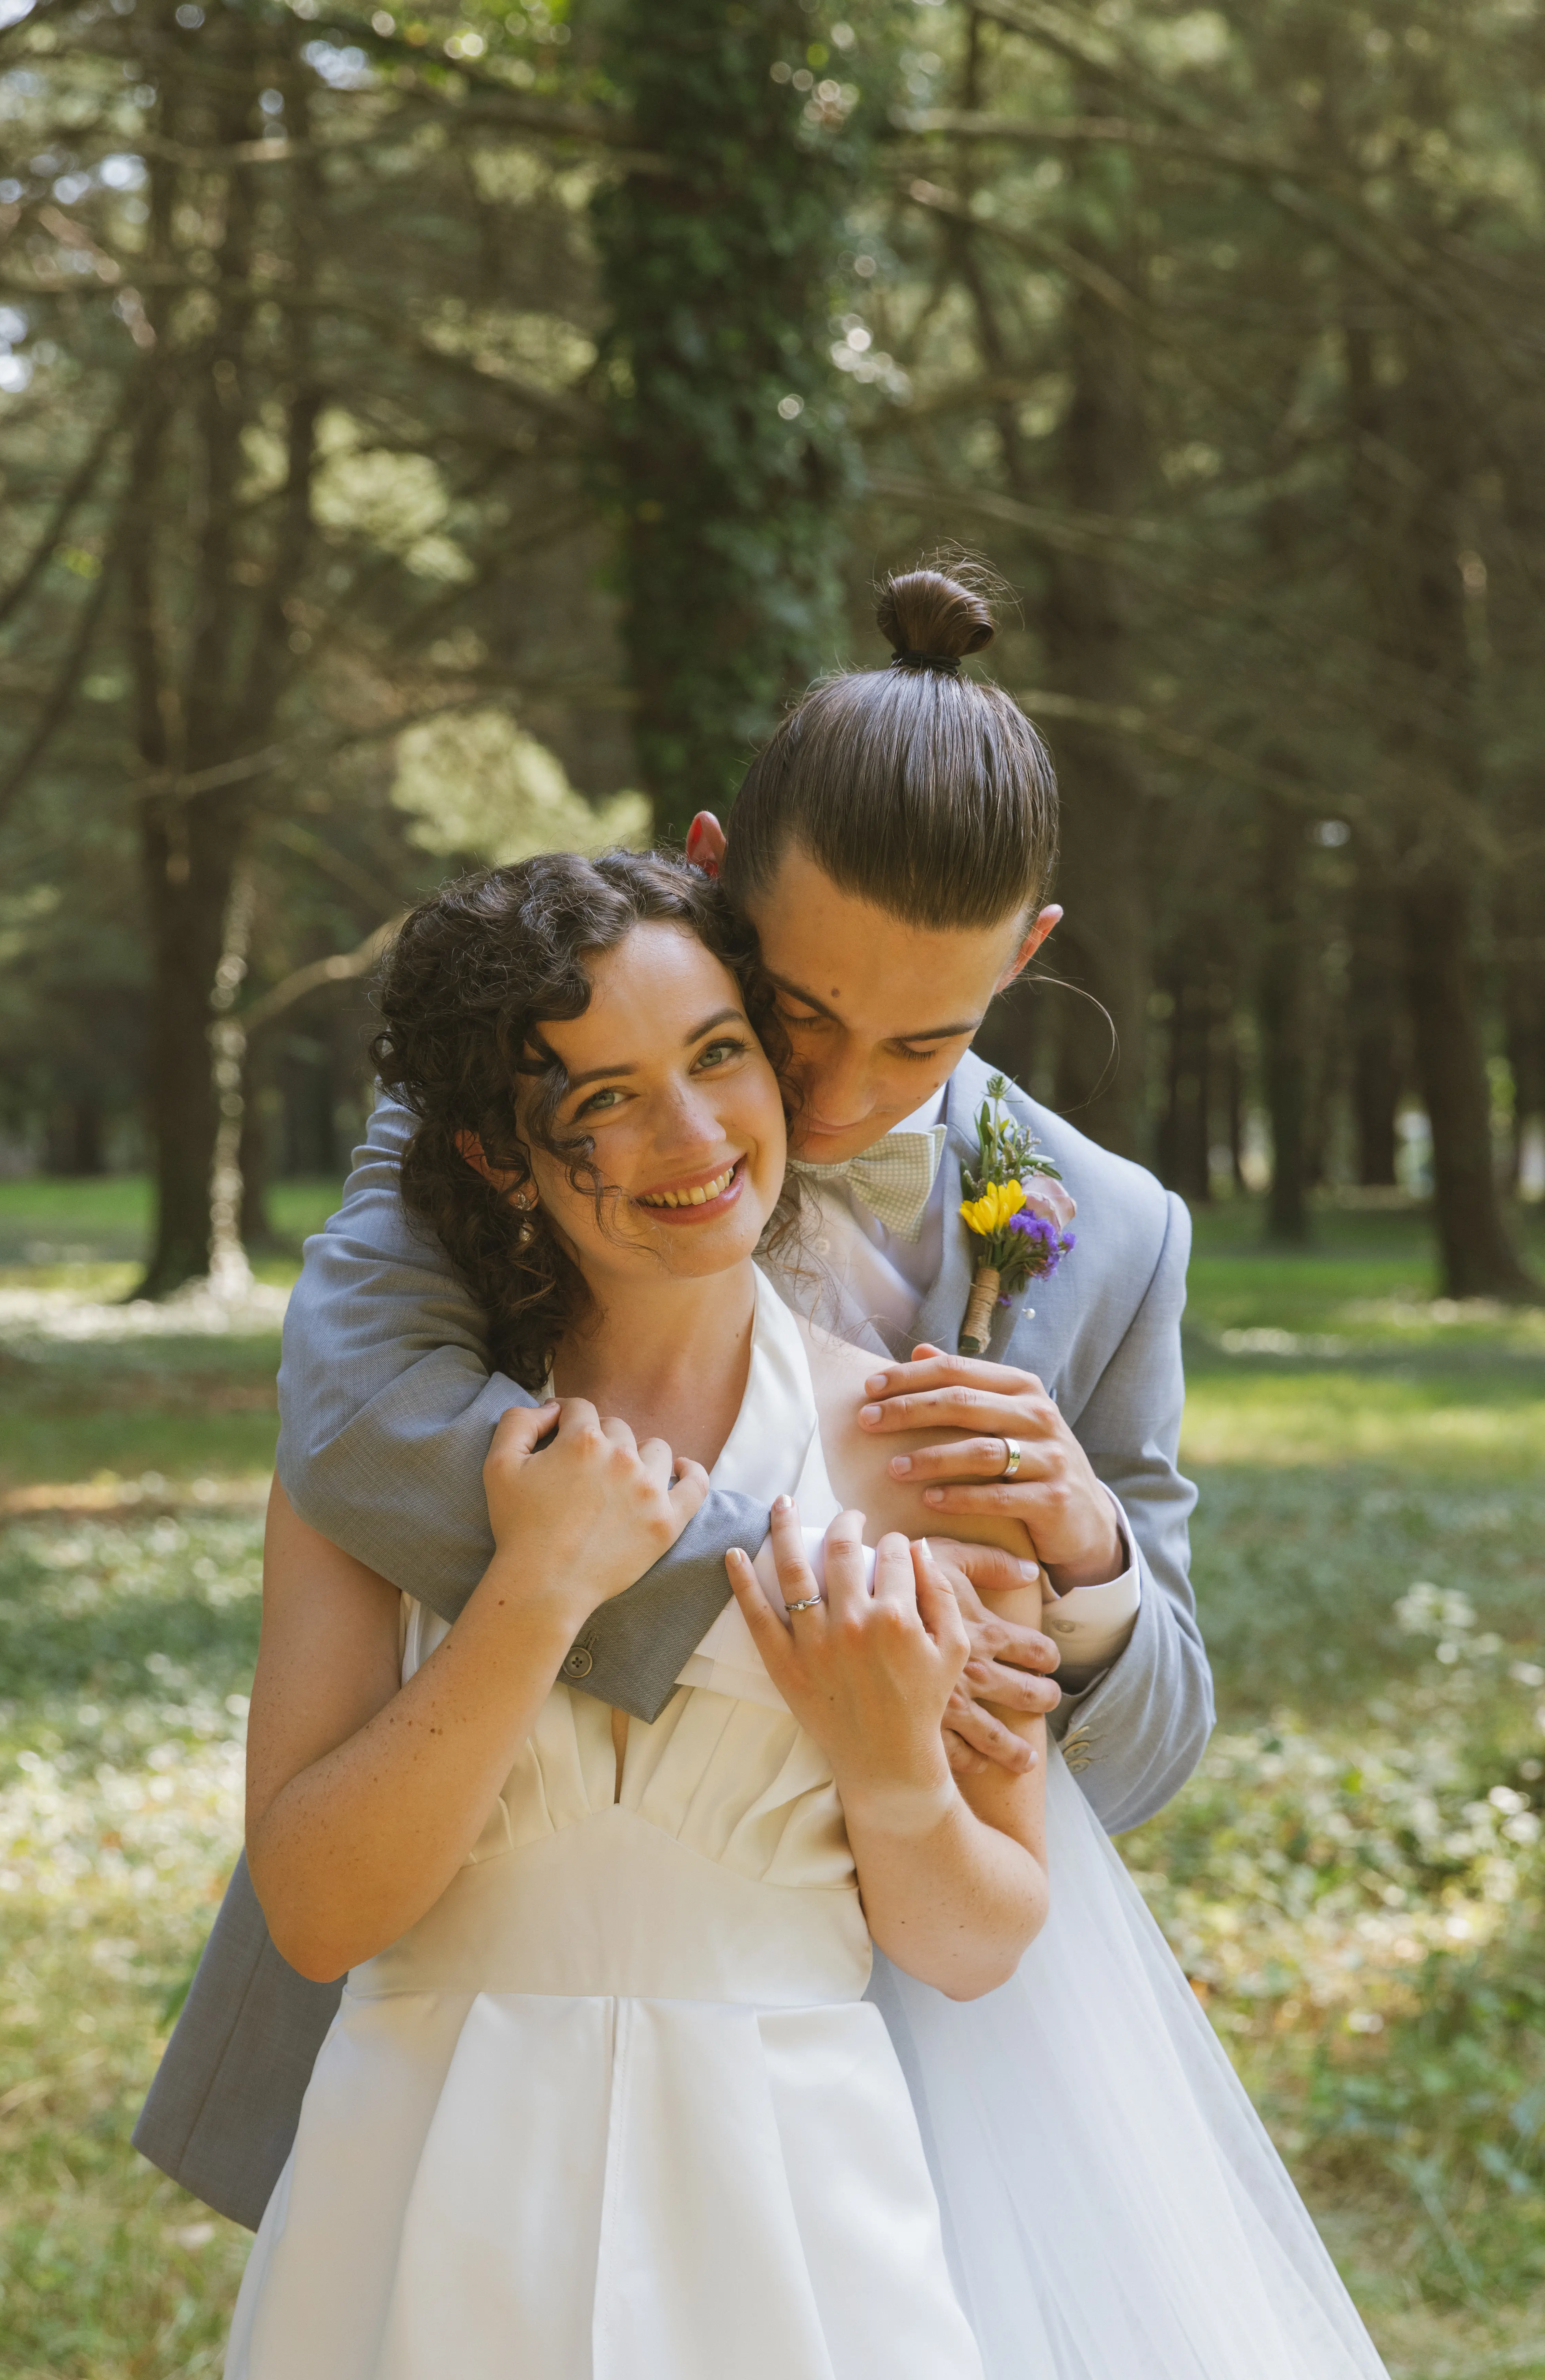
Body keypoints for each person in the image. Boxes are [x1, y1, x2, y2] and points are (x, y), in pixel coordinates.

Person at [136, 561, 1212, 2226]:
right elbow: (356, 1426)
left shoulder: (1115, 1231)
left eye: (922, 1045)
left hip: (879, 2040)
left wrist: (1081, 1576)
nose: (836, 1097)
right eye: (790, 1015)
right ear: (711, 877)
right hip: (456, 1994)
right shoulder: (509, 1110)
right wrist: (798, 1589)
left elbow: (1139, 1757)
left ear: (1028, 955)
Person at [225, 850, 1388, 2379]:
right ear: (499, 1158)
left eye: (718, 1057)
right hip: (427, 2180)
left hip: (792, 2204)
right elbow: (313, 1915)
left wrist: (894, 1773)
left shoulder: (927, 1461)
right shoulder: (379, 1458)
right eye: (602, 1100)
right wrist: (531, 1593)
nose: (693, 1135)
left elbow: (979, 1943)